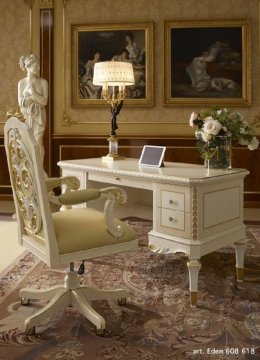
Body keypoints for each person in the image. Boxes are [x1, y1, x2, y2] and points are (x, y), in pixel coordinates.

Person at [18, 54, 48, 164]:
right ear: (28, 67)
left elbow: (44, 102)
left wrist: (33, 93)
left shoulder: (43, 82)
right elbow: (21, 103)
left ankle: (39, 170)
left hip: (39, 115)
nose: (39, 68)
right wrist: (33, 98)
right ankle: (30, 170)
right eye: (36, 66)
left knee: (38, 142)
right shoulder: (22, 83)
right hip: (26, 115)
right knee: (27, 142)